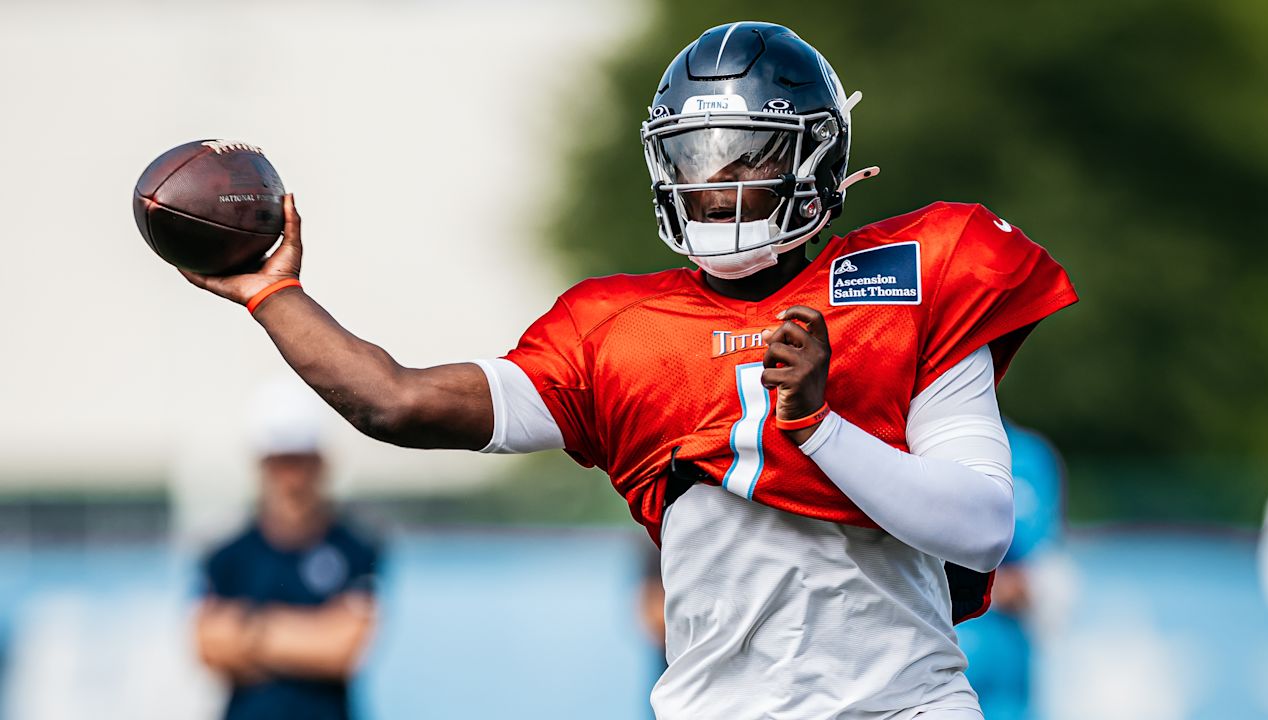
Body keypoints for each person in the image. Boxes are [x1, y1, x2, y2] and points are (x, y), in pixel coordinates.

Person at [179, 22, 1076, 719]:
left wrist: (818, 424)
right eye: (692, 160)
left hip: (904, 706)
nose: (711, 187)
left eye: (741, 158)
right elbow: (394, 400)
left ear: (814, 159)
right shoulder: (614, 331)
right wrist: (274, 294)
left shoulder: (911, 272)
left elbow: (982, 527)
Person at [195, 379, 380, 720]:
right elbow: (208, 647)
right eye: (280, 462)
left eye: (301, 461)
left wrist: (247, 630)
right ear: (261, 465)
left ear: (322, 463)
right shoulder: (227, 553)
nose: (291, 478)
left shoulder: (355, 548)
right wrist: (311, 636)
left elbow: (342, 650)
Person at [955, 419, 1066, 720]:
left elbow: (1043, 580)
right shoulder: (910, 440)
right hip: (936, 665)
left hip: (1007, 670)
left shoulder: (1030, 456)